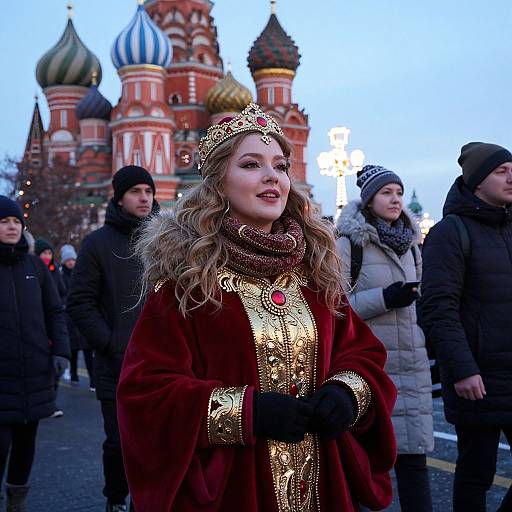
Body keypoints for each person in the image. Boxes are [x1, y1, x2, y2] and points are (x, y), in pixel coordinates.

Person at [116, 103, 397, 512]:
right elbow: (145, 392)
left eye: (281, 166)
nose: (272, 177)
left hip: (321, 484)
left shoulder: (313, 270)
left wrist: (347, 392)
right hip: (236, 487)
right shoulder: (186, 281)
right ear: (217, 183)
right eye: (251, 164)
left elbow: (361, 351)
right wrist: (245, 412)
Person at [336, 164, 434, 512]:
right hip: (370, 368)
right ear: (369, 200)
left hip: (411, 364)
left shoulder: (410, 244)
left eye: (398, 193)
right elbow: (333, 307)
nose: (395, 200)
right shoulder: (349, 244)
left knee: (414, 463)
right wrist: (385, 298)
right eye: (386, 193)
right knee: (365, 465)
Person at [420, 142, 512, 512]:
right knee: (477, 472)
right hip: (478, 377)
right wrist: (462, 370)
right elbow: (438, 307)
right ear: (477, 182)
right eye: (501, 172)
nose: (510, 178)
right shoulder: (450, 232)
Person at [67, 165, 159, 512]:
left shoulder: (164, 241)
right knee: (119, 442)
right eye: (136, 191)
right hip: (117, 363)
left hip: (162, 363)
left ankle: (147, 501)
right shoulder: (97, 244)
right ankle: (116, 499)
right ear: (119, 198)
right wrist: (110, 343)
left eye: (148, 192)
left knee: (157, 440)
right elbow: (79, 303)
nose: (144, 198)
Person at [0, 196, 69, 511]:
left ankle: (17, 501)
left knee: (26, 445)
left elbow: (55, 311)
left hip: (34, 373)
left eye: (16, 222)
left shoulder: (34, 267)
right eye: (4, 222)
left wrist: (62, 353)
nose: (12, 226)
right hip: (2, 377)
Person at [35, 237, 67, 417]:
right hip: (39, 324)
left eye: (49, 253)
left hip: (54, 320)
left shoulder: (55, 271)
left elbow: (62, 292)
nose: (47, 256)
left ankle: (51, 402)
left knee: (55, 366)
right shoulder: (32, 269)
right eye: (44, 253)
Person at [60, 244, 95, 391]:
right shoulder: (61, 276)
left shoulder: (81, 273)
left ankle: (93, 379)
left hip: (81, 316)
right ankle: (73, 373)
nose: (70, 262)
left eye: (72, 259)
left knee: (88, 351)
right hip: (69, 317)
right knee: (73, 350)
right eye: (68, 260)